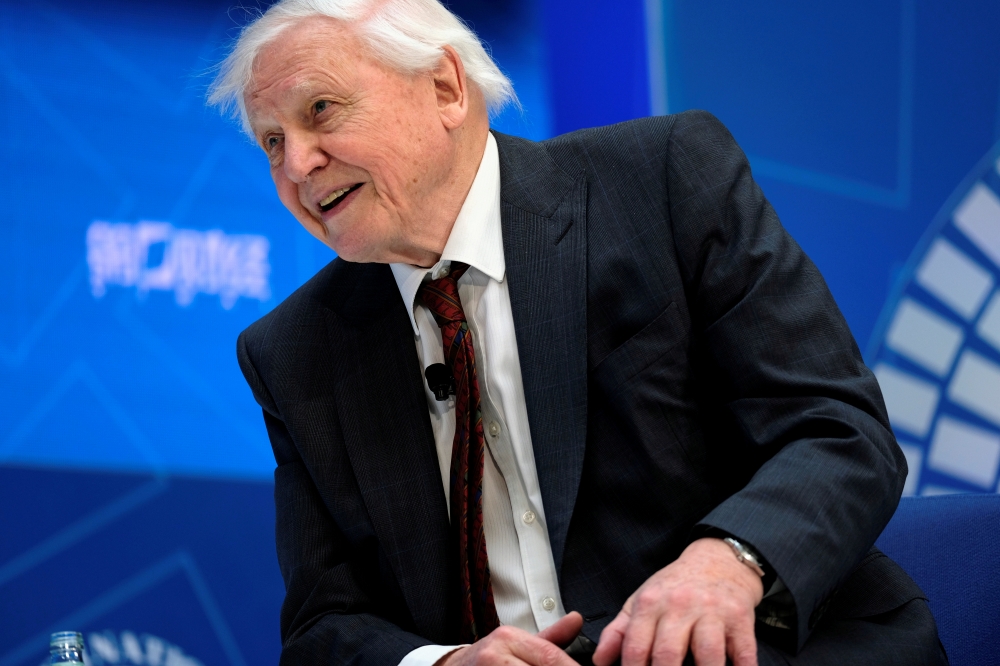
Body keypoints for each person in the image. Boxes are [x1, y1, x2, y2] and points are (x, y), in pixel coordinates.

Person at [209, 1, 947, 664]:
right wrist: (440, 665)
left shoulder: (659, 182)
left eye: (323, 112)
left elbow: (837, 432)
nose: (298, 164)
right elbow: (323, 627)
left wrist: (726, 561)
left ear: (444, 88)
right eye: (272, 142)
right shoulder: (293, 351)